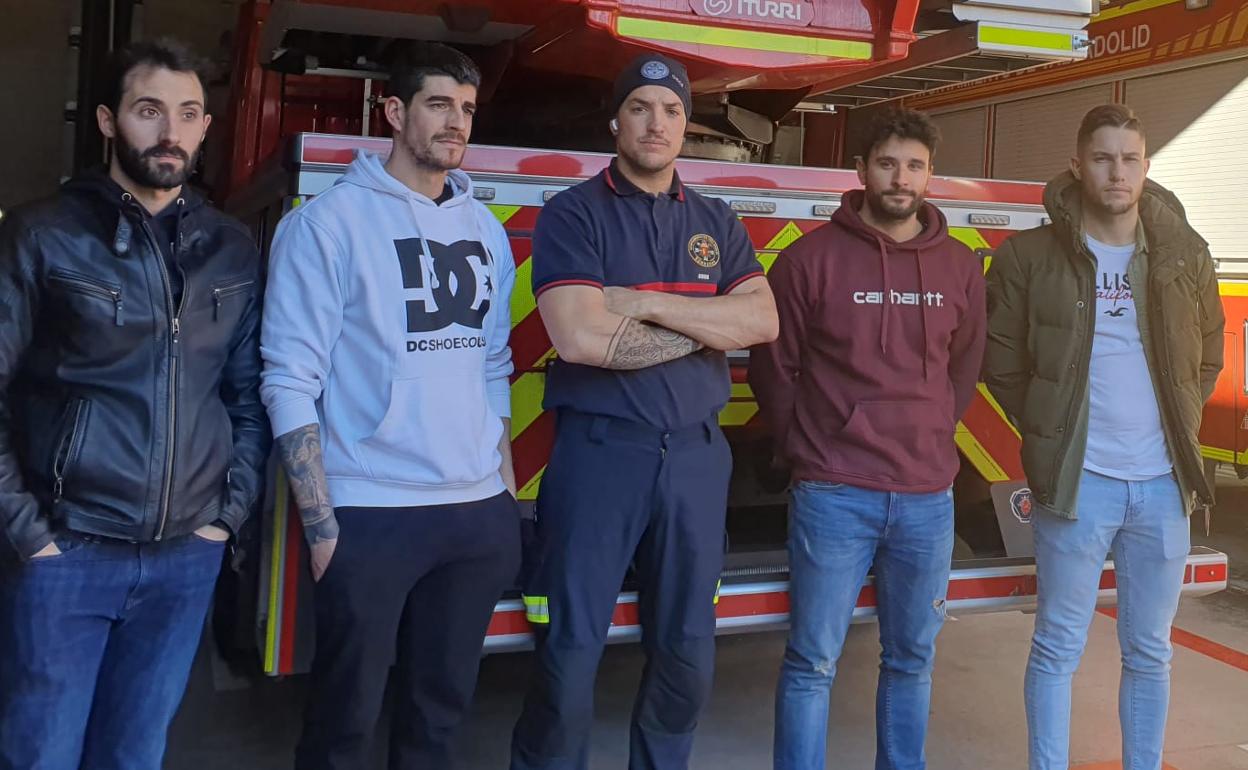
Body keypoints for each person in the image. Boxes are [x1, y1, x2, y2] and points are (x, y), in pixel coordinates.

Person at [0, 38, 269, 769]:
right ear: (108, 121)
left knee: (134, 755)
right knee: (40, 755)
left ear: (206, 128)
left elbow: (247, 396)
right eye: (149, 110)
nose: (170, 132)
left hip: (185, 559)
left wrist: (227, 518)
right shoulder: (42, 235)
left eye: (188, 114)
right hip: (68, 551)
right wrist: (29, 534)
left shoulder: (231, 248)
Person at [508, 53, 778, 770]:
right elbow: (580, 337)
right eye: (640, 108)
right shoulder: (572, 214)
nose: (656, 123)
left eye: (671, 111)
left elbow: (762, 322)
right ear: (615, 120)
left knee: (687, 650)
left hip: (695, 457)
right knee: (568, 650)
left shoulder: (715, 220)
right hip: (600, 456)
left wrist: (648, 303)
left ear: (686, 125)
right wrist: (704, 325)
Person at [260, 42, 521, 769]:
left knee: (440, 719)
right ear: (396, 112)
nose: (456, 123)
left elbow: (493, 366)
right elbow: (288, 378)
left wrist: (499, 488)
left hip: (474, 514)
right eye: (440, 105)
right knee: (343, 723)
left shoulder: (486, 232)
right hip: (369, 513)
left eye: (467, 110)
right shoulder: (327, 226)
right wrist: (320, 524)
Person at [982, 103, 1223, 770]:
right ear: (1077, 165)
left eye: (1129, 159)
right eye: (1102, 157)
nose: (1116, 172)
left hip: (1162, 485)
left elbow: (1207, 356)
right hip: (1077, 484)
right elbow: (1000, 362)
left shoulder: (1183, 254)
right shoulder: (1030, 256)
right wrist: (1051, 428)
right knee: (1058, 644)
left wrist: (1179, 419)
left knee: (1150, 650)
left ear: (1146, 167)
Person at [750, 108, 987, 770]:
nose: (900, 177)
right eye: (887, 163)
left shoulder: (961, 268)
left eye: (914, 165)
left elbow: (964, 365)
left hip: (926, 498)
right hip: (834, 492)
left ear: (931, 176)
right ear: (860, 172)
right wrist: (807, 449)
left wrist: (937, 428)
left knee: (911, 658)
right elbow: (776, 366)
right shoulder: (807, 260)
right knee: (812, 660)